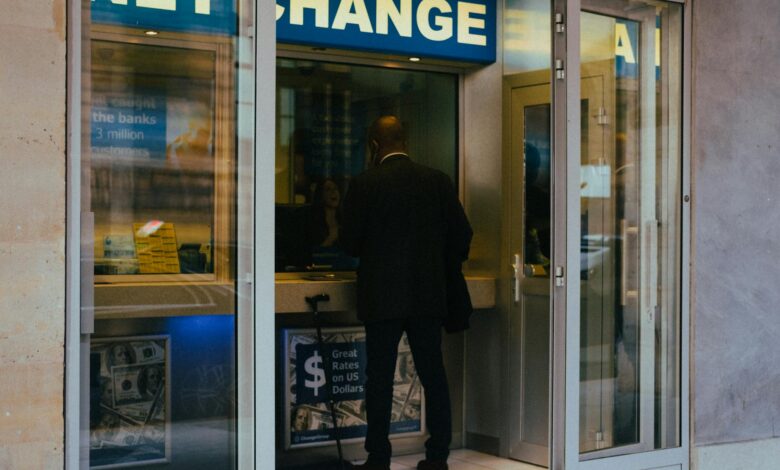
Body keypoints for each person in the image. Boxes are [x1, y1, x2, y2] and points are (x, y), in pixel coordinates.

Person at [342, 116, 472, 470]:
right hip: (428, 296)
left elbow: (349, 243)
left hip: (381, 299)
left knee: (380, 378)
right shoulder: (437, 181)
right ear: (405, 141)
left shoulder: (365, 184)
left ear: (373, 146)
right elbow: (462, 236)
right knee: (433, 373)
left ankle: (378, 456)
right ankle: (437, 456)